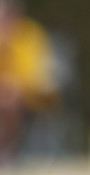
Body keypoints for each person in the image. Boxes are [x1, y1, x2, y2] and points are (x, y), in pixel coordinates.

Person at [0, 0, 58, 162]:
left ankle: (8, 151)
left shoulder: (30, 34)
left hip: (31, 96)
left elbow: (36, 74)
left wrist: (13, 86)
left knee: (9, 100)